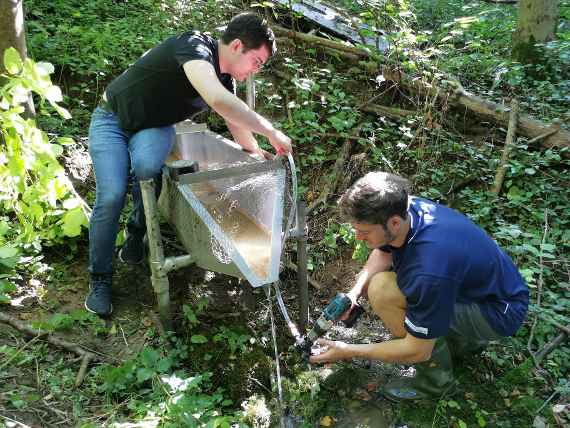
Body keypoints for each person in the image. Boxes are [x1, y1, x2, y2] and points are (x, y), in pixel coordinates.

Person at [85, 13, 291, 316]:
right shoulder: (193, 46)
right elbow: (217, 100)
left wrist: (257, 154)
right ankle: (100, 279)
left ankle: (136, 232)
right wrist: (271, 130)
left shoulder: (224, 81)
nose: (254, 71)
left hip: (154, 126)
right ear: (237, 46)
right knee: (112, 195)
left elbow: (234, 119)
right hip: (112, 119)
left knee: (146, 167)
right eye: (256, 62)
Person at [310, 172, 528, 402]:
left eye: (364, 232)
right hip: (481, 291)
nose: (357, 237)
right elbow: (384, 252)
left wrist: (349, 350)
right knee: (378, 285)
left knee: (382, 292)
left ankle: (436, 382)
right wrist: (355, 292)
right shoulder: (406, 208)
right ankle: (459, 343)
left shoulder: (428, 271)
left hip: (497, 313)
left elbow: (417, 350)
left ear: (394, 222)